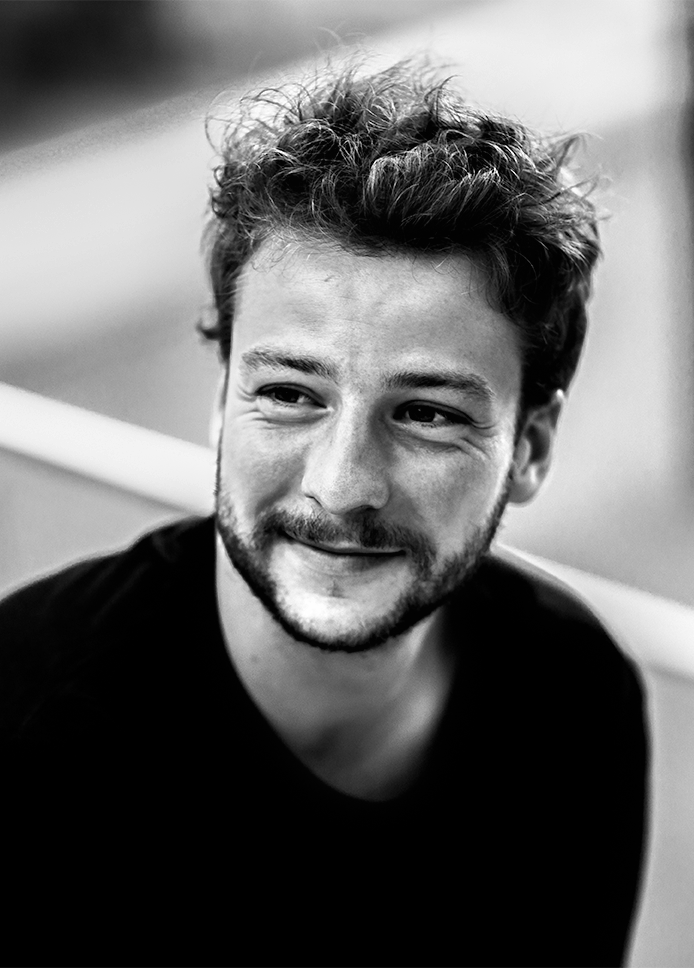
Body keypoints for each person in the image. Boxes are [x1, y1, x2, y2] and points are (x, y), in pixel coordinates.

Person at [2, 60, 647, 968]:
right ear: (222, 404)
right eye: (290, 395)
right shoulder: (26, 735)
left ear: (531, 448)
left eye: (426, 413)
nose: (341, 487)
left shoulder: (573, 698)